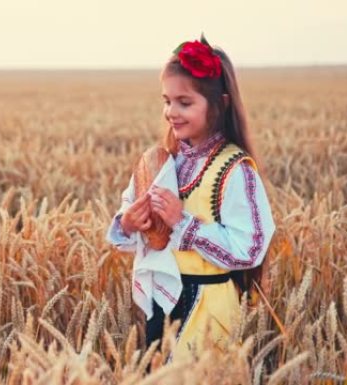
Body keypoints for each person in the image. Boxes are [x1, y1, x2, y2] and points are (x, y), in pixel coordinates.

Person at [106, 34, 276, 363]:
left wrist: (183, 224)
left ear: (221, 104)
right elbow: (130, 231)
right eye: (166, 101)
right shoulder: (160, 162)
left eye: (185, 102)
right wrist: (129, 223)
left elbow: (251, 247)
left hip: (210, 305)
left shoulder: (234, 169)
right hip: (164, 298)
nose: (171, 111)